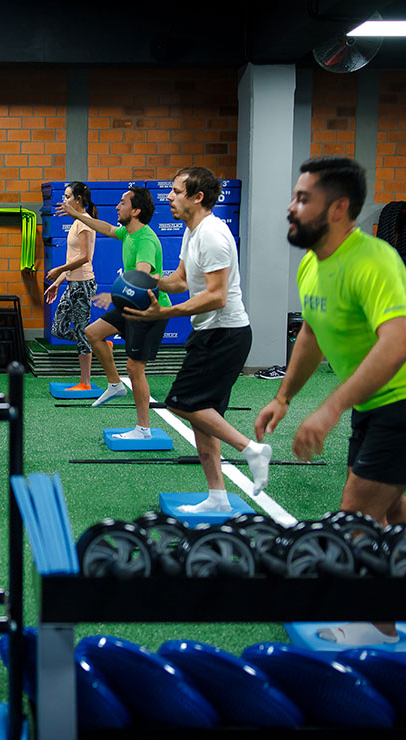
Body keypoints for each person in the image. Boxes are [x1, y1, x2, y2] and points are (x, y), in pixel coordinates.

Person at [256, 156, 406, 646]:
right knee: (384, 511)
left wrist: (329, 409)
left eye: (303, 199)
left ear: (339, 208)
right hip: (380, 404)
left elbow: (398, 344)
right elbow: (312, 333)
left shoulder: (373, 260)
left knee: (356, 514)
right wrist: (284, 397)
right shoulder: (312, 262)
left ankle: (380, 626)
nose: (291, 207)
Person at [125, 167, 271, 509]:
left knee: (180, 402)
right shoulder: (193, 232)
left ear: (197, 196)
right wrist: (147, 281)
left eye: (176, 191)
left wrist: (163, 313)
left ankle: (252, 450)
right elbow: (180, 280)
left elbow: (217, 296)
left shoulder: (212, 235)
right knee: (203, 417)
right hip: (209, 332)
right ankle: (218, 497)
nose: (169, 197)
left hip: (226, 335)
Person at [58, 186, 171, 441]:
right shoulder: (128, 233)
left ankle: (143, 430)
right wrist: (77, 214)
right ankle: (114, 384)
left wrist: (114, 295)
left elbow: (141, 277)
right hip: (132, 304)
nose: (117, 207)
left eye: (122, 203)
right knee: (92, 333)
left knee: (134, 367)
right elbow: (106, 228)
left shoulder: (145, 240)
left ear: (136, 210)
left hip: (150, 309)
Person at [44, 182, 97, 391]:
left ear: (78, 200)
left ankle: (85, 382)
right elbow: (75, 258)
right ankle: (95, 343)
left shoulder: (84, 223)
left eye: (67, 197)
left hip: (83, 285)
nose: (64, 201)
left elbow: (85, 257)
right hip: (72, 284)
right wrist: (57, 283)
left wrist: (58, 269)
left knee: (82, 334)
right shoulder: (77, 223)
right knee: (57, 329)